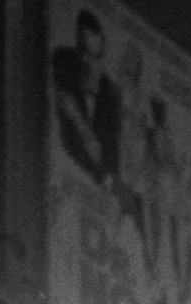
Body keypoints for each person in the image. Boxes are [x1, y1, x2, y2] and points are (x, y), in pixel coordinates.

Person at [52, 8, 122, 188]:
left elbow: (107, 162)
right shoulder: (63, 65)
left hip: (91, 185)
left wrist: (78, 120)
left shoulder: (110, 97)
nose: (89, 63)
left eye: (95, 57)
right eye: (83, 53)